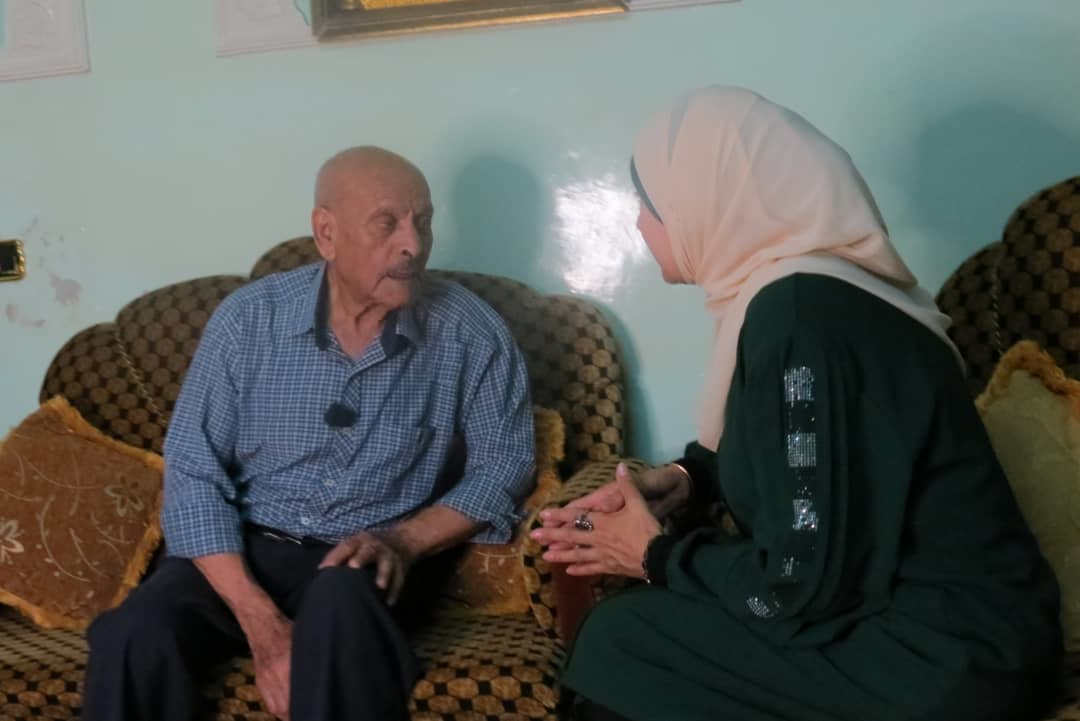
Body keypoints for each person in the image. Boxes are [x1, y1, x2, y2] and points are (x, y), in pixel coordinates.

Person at [532, 87, 1062, 721]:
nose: (641, 225)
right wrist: (685, 479)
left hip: (944, 655)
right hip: (958, 635)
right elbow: (798, 453)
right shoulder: (815, 295)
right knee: (637, 634)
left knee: (626, 640)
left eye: (650, 204)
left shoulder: (801, 319)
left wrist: (655, 554)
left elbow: (799, 585)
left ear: (706, 200)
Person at [82, 146, 536, 721]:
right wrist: (262, 623)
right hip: (244, 548)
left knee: (339, 605)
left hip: (363, 557)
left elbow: (506, 462)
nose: (413, 245)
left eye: (422, 222)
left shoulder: (470, 330)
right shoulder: (250, 319)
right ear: (327, 233)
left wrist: (405, 540)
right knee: (133, 636)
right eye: (387, 223)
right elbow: (193, 470)